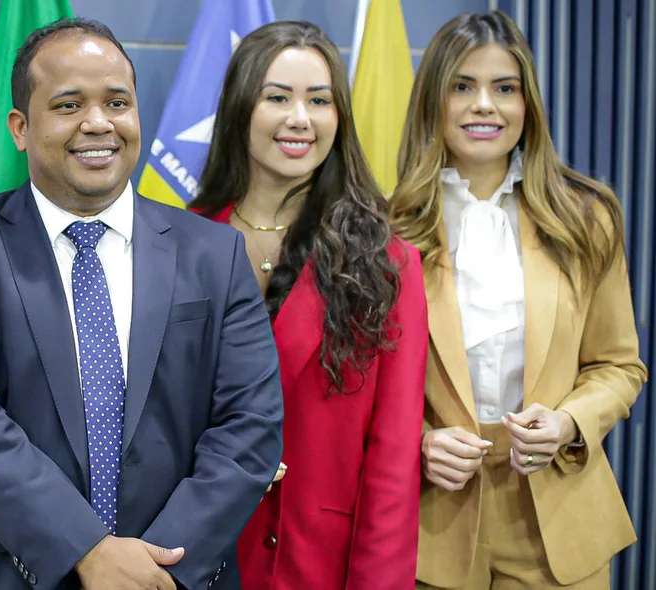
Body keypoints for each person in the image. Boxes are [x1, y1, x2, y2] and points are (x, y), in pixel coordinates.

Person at [0, 17, 284, 590]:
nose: (98, 123)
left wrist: (158, 567)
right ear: (21, 128)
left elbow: (250, 424)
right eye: (68, 105)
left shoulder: (217, 252)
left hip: (179, 578)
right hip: (20, 573)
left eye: (117, 102)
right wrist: (88, 551)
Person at [388, 10, 647, 589]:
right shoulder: (383, 228)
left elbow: (619, 366)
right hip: (432, 519)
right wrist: (418, 444)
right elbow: (358, 392)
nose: (485, 105)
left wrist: (569, 421)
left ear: (527, 103)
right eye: (463, 86)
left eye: (504, 88)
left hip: (558, 515)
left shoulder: (587, 217)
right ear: (433, 100)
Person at [189, 20, 427, 589]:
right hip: (195, 553)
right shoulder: (178, 243)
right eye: (278, 97)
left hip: (321, 563)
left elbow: (394, 457)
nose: (301, 118)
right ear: (241, 107)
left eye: (319, 101)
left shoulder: (387, 262)